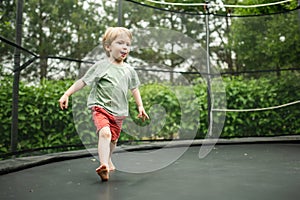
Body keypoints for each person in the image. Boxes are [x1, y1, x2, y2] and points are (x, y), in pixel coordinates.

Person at [58, 27, 149, 181]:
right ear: (108, 47)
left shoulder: (129, 70)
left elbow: (134, 89)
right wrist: (67, 93)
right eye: (120, 43)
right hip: (101, 107)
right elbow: (83, 81)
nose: (125, 47)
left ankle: (108, 159)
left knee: (113, 139)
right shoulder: (101, 66)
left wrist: (140, 106)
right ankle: (103, 166)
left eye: (128, 44)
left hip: (119, 112)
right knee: (105, 133)